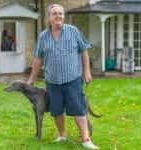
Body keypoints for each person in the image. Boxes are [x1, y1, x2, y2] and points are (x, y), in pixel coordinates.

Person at [27, 4, 99, 150]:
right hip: (52, 81)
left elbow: (84, 50)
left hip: (72, 79)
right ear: (49, 17)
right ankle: (62, 135)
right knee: (57, 110)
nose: (58, 16)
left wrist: (87, 71)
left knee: (78, 109)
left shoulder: (73, 31)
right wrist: (32, 79)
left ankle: (86, 139)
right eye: (55, 14)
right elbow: (38, 58)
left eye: (61, 13)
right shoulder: (43, 36)